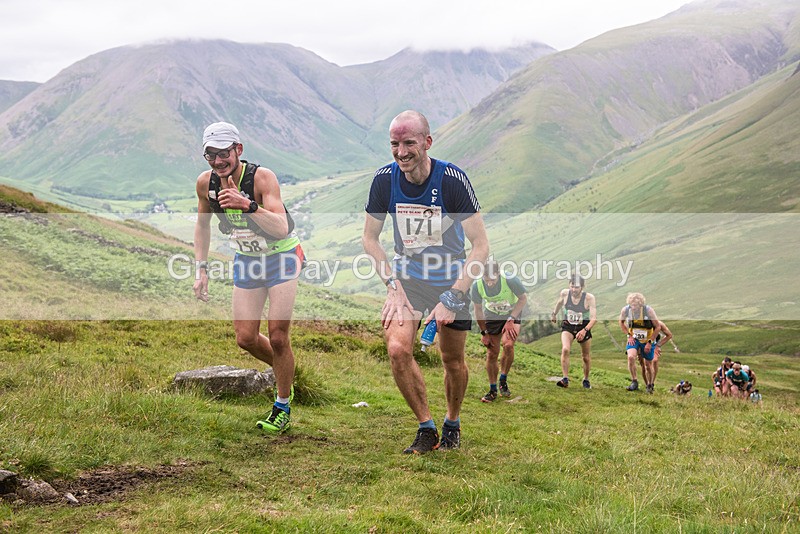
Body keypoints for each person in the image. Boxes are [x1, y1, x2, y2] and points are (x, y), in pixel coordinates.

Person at [362, 110, 489, 454]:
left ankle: (452, 422)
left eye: (409, 143)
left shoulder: (451, 180)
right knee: (398, 348)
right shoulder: (384, 181)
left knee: (452, 360)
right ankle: (426, 427)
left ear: (427, 143)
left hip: (452, 279)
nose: (401, 152)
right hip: (407, 281)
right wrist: (391, 284)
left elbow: (480, 247)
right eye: (394, 144)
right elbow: (370, 239)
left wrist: (452, 298)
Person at [193, 121, 304, 434]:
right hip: (248, 258)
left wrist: (247, 204)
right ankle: (286, 372)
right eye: (210, 155)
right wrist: (201, 269)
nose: (217, 161)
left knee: (279, 335)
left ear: (238, 150)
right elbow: (202, 226)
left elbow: (282, 226)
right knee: (245, 337)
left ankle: (282, 405)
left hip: (281, 255)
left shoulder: (261, 178)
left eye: (223, 153)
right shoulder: (206, 184)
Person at [471, 258, 528, 402]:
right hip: (492, 314)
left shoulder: (510, 279)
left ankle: (503, 379)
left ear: (498, 274)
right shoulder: (477, 286)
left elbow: (522, 299)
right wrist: (484, 332)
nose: (489, 283)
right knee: (492, 353)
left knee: (508, 345)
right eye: (486, 279)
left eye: (493, 279)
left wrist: (511, 318)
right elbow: (477, 310)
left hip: (512, 311)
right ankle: (492, 390)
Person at [551, 275, 597, 389]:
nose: (573, 290)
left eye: (576, 287)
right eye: (572, 286)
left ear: (582, 287)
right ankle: (565, 378)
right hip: (568, 326)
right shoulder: (565, 293)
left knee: (585, 357)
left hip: (584, 327)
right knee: (565, 349)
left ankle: (586, 380)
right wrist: (554, 313)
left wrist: (585, 330)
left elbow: (594, 318)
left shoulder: (589, 298)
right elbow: (559, 303)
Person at [618, 292, 661, 393]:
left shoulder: (648, 311)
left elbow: (658, 327)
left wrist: (650, 342)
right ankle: (634, 381)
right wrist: (629, 335)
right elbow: (621, 322)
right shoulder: (626, 310)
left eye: (636, 305)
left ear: (641, 304)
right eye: (632, 305)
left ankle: (650, 385)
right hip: (634, 338)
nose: (633, 307)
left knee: (647, 364)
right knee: (630, 357)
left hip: (647, 340)